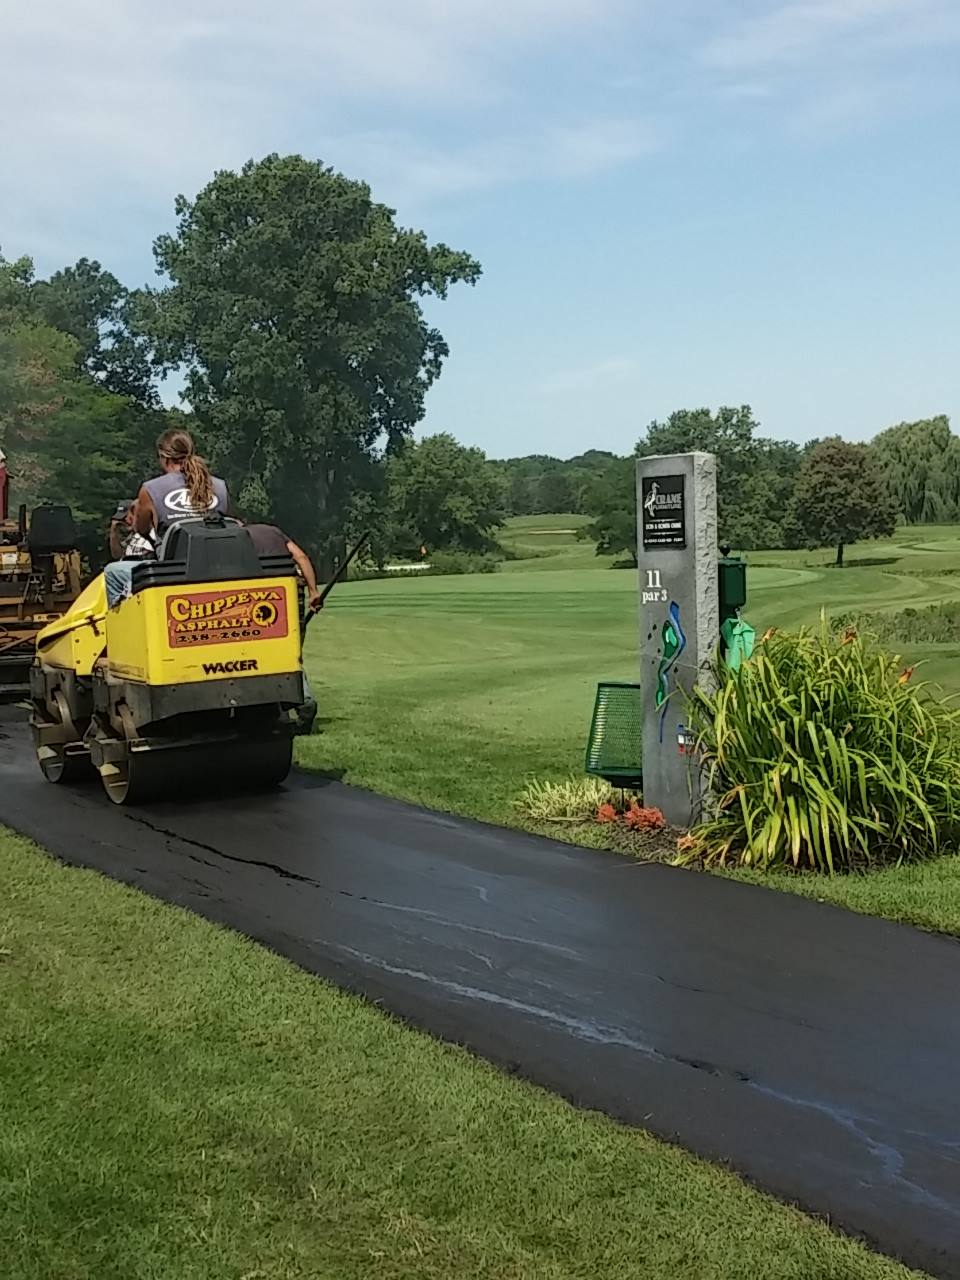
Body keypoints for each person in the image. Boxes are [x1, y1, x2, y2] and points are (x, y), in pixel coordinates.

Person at [104, 430, 229, 608]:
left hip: (174, 573)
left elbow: (142, 530)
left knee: (113, 572)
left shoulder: (150, 489)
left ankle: (124, 631)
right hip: (218, 566)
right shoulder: (220, 486)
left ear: (164, 457)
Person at [244, 523, 323, 613]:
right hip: (289, 588)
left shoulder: (239, 536)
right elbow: (301, 557)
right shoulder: (274, 531)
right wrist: (313, 591)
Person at [107, 499, 155, 563]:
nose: (126, 521)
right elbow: (117, 555)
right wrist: (113, 531)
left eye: (127, 517)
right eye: (122, 520)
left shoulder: (151, 532)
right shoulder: (130, 538)